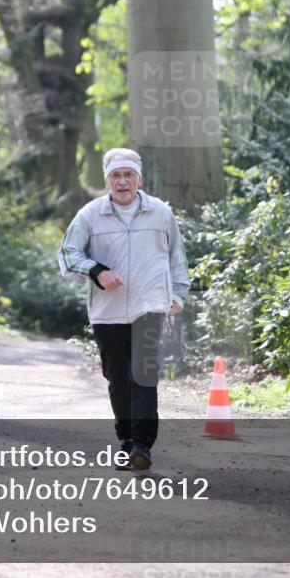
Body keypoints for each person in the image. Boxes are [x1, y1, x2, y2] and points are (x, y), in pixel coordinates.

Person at [58, 148, 189, 470]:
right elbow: (67, 253)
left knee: (143, 375)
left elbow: (176, 256)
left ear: (139, 179)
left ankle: (143, 445)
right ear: (107, 181)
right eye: (116, 176)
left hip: (150, 307)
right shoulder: (90, 215)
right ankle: (126, 440)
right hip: (107, 311)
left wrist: (179, 293)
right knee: (118, 379)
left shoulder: (160, 213)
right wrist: (96, 270)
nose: (122, 181)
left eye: (128, 175)